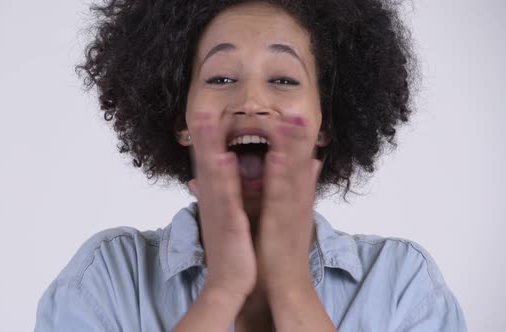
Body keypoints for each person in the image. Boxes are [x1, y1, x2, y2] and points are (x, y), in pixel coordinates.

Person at [34, 0, 467, 331]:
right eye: (221, 78)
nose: (251, 102)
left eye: (283, 79)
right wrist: (222, 291)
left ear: (325, 123)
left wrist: (292, 287)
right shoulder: (107, 275)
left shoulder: (402, 283)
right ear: (181, 120)